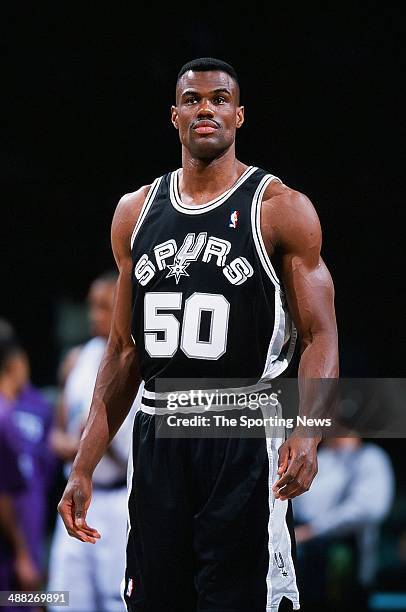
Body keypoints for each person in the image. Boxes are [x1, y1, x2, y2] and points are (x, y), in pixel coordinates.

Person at [57, 57, 339, 611]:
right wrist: (84, 463)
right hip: (159, 432)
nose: (205, 108)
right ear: (175, 115)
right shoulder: (134, 212)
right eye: (192, 99)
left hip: (244, 432)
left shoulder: (280, 209)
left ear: (238, 114)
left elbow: (320, 336)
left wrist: (308, 430)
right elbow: (122, 352)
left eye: (218, 99)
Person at [47, 271, 140, 612]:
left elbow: (137, 450)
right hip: (75, 496)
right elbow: (56, 430)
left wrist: (98, 435)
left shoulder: (139, 362)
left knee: (116, 601)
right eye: (92, 307)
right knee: (64, 598)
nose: (94, 316)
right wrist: (70, 444)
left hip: (118, 501)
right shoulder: (76, 359)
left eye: (104, 307)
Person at [292, 437, 395, 611]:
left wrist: (312, 531)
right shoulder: (316, 457)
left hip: (345, 565)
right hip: (304, 570)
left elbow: (368, 509)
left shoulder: (370, 457)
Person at [0, 333, 42, 612]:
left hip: (27, 532)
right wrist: (22, 553)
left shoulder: (25, 408)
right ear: (16, 364)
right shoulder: (3, 417)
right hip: (12, 546)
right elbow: (2, 494)